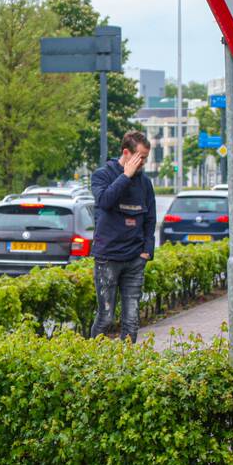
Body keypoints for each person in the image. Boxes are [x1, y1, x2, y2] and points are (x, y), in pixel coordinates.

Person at [89, 130, 156, 343]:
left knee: (132, 319)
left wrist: (147, 251)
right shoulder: (102, 175)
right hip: (108, 257)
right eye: (140, 157)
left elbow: (150, 219)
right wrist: (125, 176)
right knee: (106, 317)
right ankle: (93, 357)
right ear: (126, 153)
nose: (143, 163)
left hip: (135, 258)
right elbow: (105, 201)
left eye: (145, 158)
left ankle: (127, 359)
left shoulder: (145, 183)